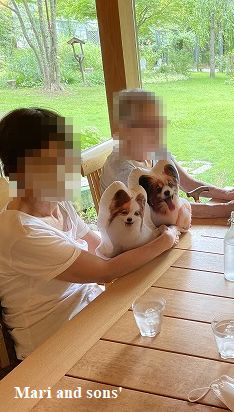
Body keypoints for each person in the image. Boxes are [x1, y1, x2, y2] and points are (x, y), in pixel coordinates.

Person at [0, 108, 179, 360]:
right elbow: (105, 271)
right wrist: (166, 239)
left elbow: (106, 249)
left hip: (92, 315)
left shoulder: (58, 205)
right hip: (53, 350)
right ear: (22, 170)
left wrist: (153, 230)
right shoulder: (20, 232)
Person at [100, 89, 234, 218]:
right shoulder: (122, 169)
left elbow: (188, 183)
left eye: (159, 123)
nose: (157, 131)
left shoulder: (153, 150)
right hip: (134, 243)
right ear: (126, 130)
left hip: (162, 232)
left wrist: (228, 194)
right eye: (148, 125)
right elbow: (163, 209)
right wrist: (225, 209)